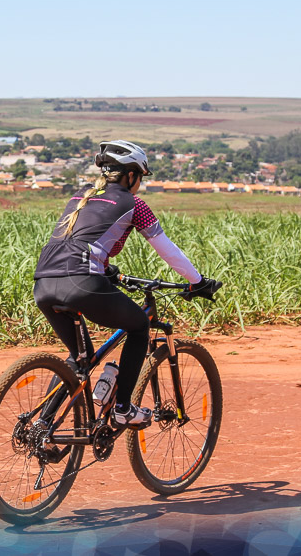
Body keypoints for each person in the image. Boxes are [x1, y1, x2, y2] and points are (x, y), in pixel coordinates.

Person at [33, 139, 220, 429]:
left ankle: (41, 427)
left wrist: (107, 270)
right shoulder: (135, 204)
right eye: (140, 178)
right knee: (139, 326)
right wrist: (197, 282)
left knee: (79, 358)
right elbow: (168, 250)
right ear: (130, 175)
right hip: (82, 283)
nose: (139, 185)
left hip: (44, 283)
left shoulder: (81, 196)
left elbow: (80, 243)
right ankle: (122, 408)